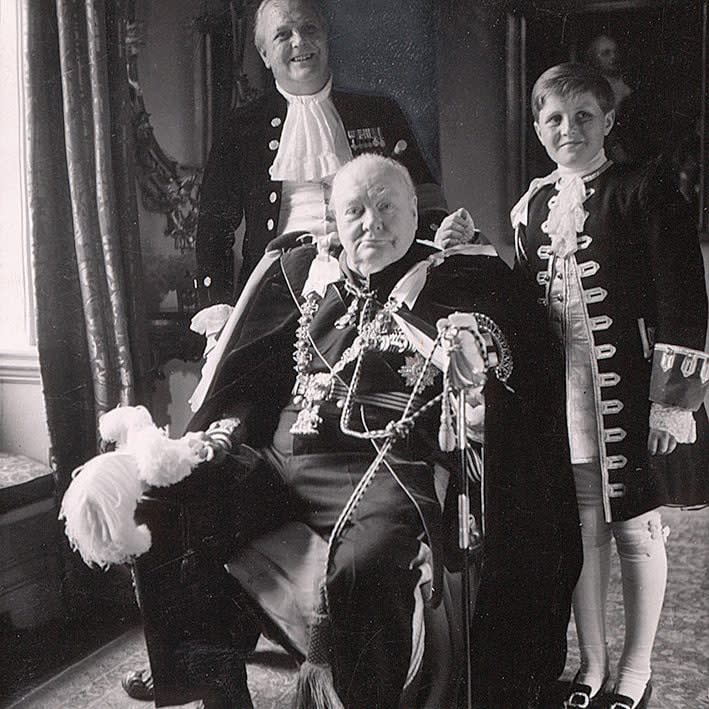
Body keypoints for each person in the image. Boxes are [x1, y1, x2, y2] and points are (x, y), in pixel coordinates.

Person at [130, 154, 581, 708]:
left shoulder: (460, 281)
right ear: (335, 219)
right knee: (164, 500)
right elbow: (255, 380)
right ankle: (214, 686)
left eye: (387, 206)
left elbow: (506, 382)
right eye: (356, 210)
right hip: (283, 461)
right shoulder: (307, 280)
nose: (373, 223)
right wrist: (222, 433)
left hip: (390, 468)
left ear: (416, 210)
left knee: (365, 567)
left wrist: (477, 384)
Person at [509, 63, 709, 709]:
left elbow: (683, 299)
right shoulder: (533, 203)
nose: (568, 129)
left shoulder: (644, 189)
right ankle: (590, 667)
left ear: (608, 121)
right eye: (554, 118)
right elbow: (519, 302)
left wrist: (672, 401)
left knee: (635, 528)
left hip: (630, 392)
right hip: (560, 397)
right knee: (581, 528)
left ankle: (634, 669)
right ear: (538, 127)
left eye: (583, 116)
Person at [194, 0, 446, 306]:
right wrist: (217, 307)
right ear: (264, 55)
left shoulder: (380, 113)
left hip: (375, 283)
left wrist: (442, 237)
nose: (299, 41)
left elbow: (425, 199)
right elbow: (213, 229)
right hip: (278, 292)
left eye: (309, 28)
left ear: (325, 36)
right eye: (283, 35)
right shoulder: (241, 127)